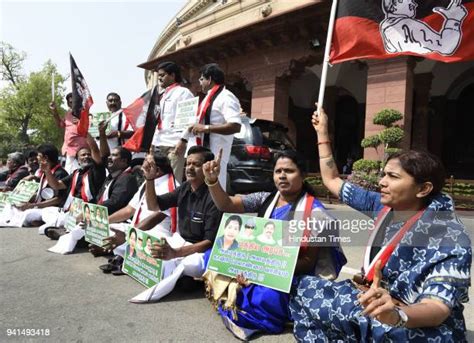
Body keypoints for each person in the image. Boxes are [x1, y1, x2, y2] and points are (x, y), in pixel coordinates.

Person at [290, 106, 472, 342]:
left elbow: (437, 308)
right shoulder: (382, 205)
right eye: (383, 174)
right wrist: (322, 133)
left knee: (388, 332)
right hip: (373, 300)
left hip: (413, 320)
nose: (382, 182)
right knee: (302, 287)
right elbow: (332, 180)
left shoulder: (450, 236)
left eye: (393, 177)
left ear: (423, 189)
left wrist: (396, 315)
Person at [201, 148, 347, 339]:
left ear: (302, 175)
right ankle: (240, 300)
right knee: (212, 255)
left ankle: (246, 312)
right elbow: (226, 205)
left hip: (289, 274)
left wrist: (262, 270)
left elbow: (308, 262)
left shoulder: (315, 213)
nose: (282, 176)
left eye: (289, 171)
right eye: (278, 172)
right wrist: (212, 181)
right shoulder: (265, 198)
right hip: (259, 265)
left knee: (269, 295)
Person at [128, 145, 222, 303]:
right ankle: (182, 280)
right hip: (179, 241)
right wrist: (149, 179)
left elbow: (209, 242)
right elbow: (154, 206)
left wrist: (175, 253)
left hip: (202, 253)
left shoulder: (214, 196)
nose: (190, 168)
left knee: (185, 265)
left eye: (196, 164)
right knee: (150, 247)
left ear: (207, 167)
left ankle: (180, 280)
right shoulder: (185, 188)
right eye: (188, 163)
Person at [100, 153, 179, 274]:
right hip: (136, 228)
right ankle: (122, 255)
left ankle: (124, 257)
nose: (142, 166)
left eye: (146, 163)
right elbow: (129, 210)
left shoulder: (172, 187)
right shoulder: (147, 182)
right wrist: (104, 221)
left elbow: (154, 220)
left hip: (156, 233)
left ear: (156, 170)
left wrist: (128, 235)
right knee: (105, 229)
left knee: (149, 245)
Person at [176, 63, 241, 188]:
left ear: (209, 79)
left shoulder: (226, 97)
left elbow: (235, 126)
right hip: (199, 154)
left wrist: (206, 128)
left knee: (214, 189)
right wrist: (183, 139)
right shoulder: (207, 99)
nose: (200, 83)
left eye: (201, 79)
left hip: (215, 153)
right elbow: (195, 123)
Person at [151, 61, 194, 183]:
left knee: (173, 181)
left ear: (173, 75)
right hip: (159, 144)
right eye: (158, 75)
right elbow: (159, 121)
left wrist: (183, 140)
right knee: (157, 180)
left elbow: (189, 119)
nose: (159, 78)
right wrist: (153, 144)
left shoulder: (183, 93)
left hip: (174, 145)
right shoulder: (162, 95)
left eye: (162, 75)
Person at [380, 0, 467, 56]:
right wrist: (453, 20)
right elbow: (445, 46)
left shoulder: (386, 28)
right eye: (409, 0)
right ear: (395, 4)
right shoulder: (408, 25)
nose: (414, 4)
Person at [49, 93, 88, 173]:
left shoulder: (85, 113)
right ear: (67, 103)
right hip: (70, 150)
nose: (73, 104)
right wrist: (54, 111)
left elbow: (91, 129)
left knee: (81, 172)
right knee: (69, 173)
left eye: (75, 102)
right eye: (70, 102)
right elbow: (60, 124)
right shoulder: (68, 113)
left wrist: (80, 122)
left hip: (81, 149)